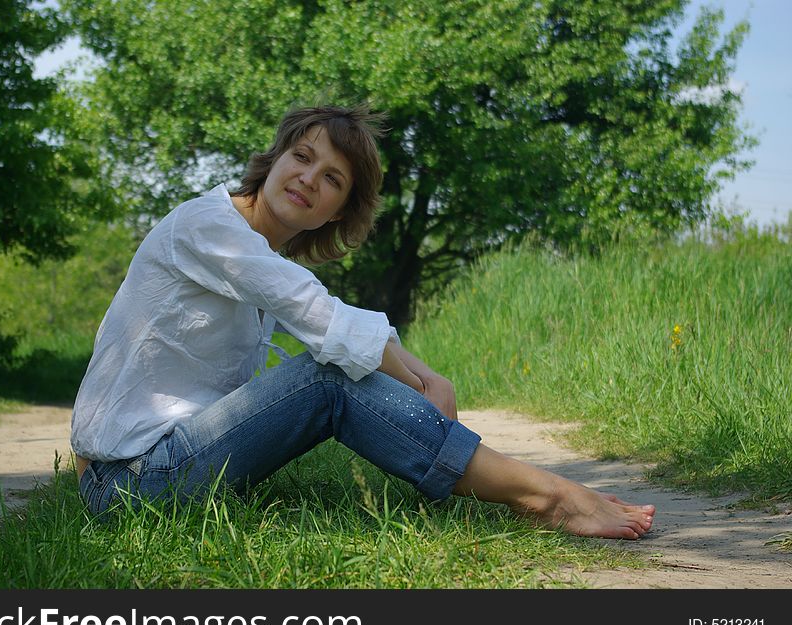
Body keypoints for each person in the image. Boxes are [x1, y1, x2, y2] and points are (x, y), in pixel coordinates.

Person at [71, 104, 655, 540]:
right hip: (133, 485)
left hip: (151, 471)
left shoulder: (254, 256)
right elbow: (320, 315)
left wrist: (424, 376)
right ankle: (545, 495)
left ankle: (519, 486)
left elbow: (325, 315)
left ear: (339, 211)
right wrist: (423, 383)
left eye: (333, 179)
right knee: (327, 381)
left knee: (331, 369)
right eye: (302, 157)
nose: (309, 179)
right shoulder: (208, 227)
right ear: (273, 161)